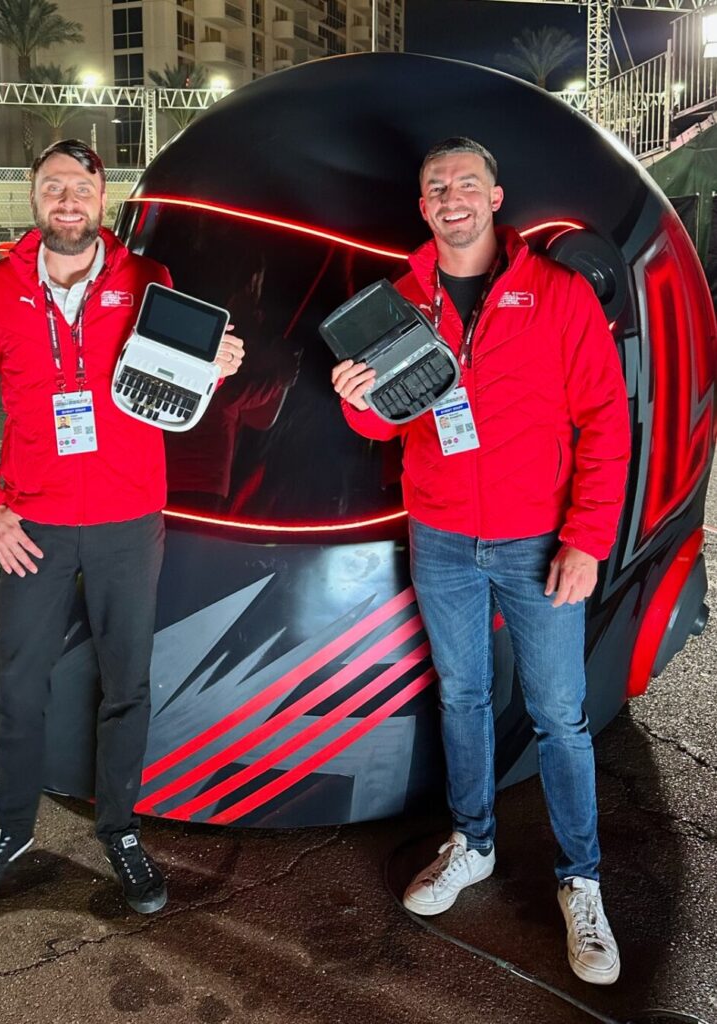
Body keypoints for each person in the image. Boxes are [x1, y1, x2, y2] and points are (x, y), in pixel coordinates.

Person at [331, 138, 630, 985]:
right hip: (441, 536)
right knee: (461, 696)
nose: (451, 196)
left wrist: (586, 540)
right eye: (436, 187)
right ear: (423, 208)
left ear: (495, 196)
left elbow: (606, 423)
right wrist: (355, 404)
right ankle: (472, 843)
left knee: (559, 715)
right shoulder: (398, 300)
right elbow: (384, 424)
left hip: (541, 540)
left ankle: (581, 883)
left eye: (466, 182)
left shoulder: (560, 295)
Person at [0, 139, 245, 915]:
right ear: (35, 198)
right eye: (52, 187)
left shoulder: (148, 280)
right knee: (20, 687)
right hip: (32, 525)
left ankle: (120, 828)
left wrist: (211, 366)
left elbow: (176, 384)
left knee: (126, 683)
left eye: (81, 186)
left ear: (102, 199)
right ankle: (10, 829)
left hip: (128, 518)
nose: (67, 200)